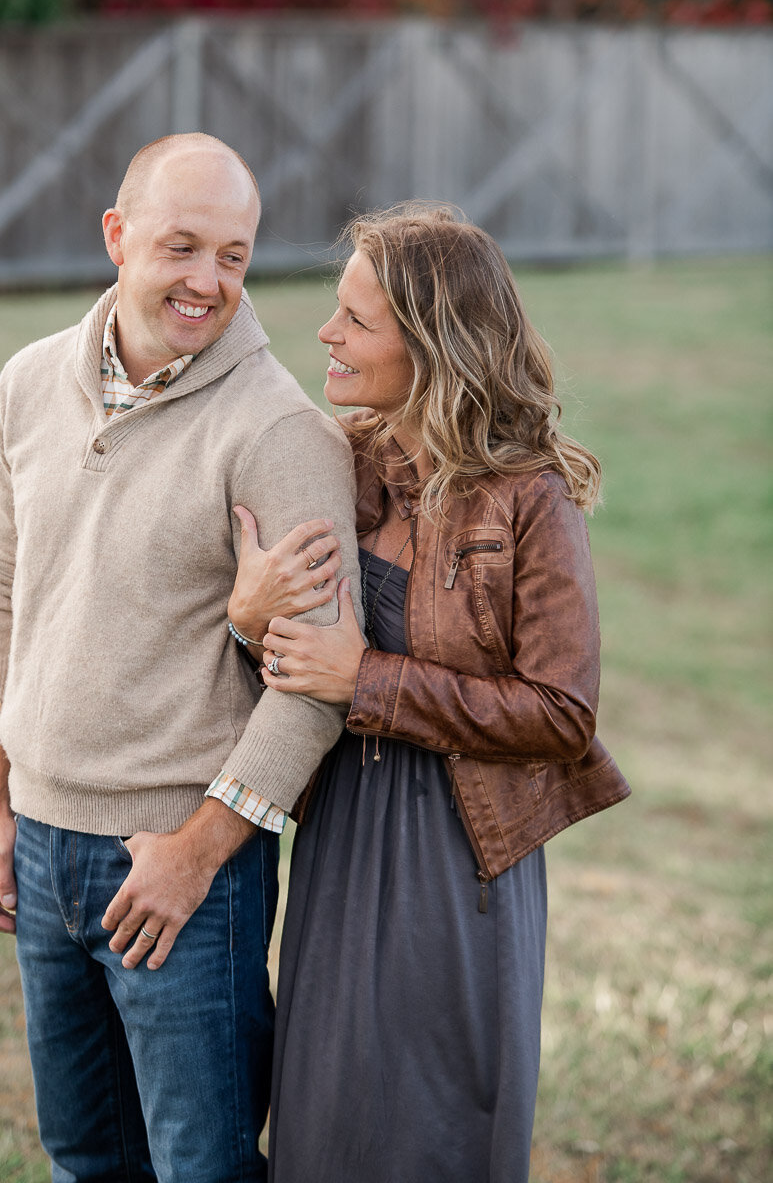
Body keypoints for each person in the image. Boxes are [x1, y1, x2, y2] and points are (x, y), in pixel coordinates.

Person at [0, 132, 362, 1183]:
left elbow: (318, 687)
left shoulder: (279, 433)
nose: (207, 280)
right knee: (84, 1157)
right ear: (117, 235)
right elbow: (2, 591)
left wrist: (196, 852)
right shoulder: (27, 382)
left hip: (182, 862)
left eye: (233, 255)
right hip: (39, 842)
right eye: (181, 246)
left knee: (203, 1167)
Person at [227, 204, 631, 1183]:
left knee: (434, 1124)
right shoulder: (337, 465)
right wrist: (247, 618)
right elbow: (284, 663)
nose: (326, 332)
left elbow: (562, 713)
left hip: (459, 855)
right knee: (327, 1112)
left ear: (431, 343)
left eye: (356, 319)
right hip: (339, 833)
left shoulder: (528, 497)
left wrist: (368, 681)